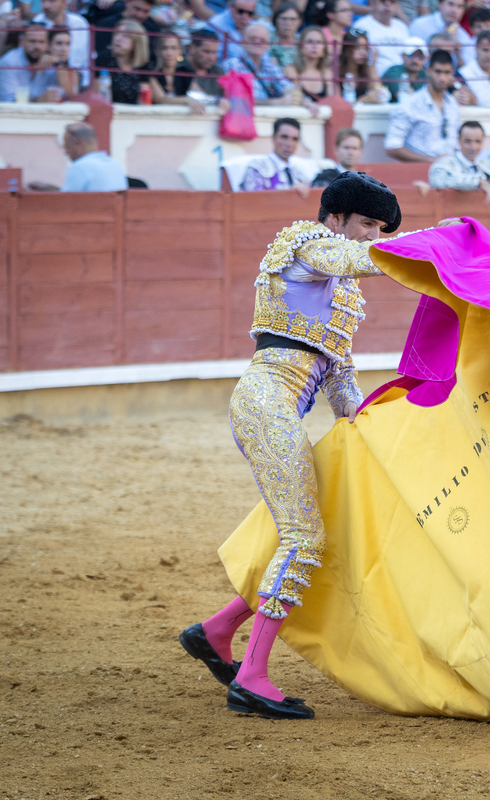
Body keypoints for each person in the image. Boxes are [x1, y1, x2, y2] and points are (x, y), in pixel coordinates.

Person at [178, 173, 404, 721]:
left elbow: (342, 386)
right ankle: (251, 679)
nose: (371, 236)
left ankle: (219, 628)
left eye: (380, 228)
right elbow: (354, 260)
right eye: (366, 224)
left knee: (311, 534)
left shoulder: (342, 298)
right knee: (304, 538)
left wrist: (385, 423)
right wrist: (432, 249)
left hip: (285, 410)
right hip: (265, 401)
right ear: (335, 219)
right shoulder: (304, 245)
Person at [385, 49, 463, 162]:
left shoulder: (452, 103)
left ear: (452, 73)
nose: (442, 78)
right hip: (419, 171)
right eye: (438, 72)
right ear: (428, 71)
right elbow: (392, 147)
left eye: (446, 73)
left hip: (450, 170)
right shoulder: (410, 103)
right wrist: (430, 160)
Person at [27, 122, 129, 191]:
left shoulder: (80, 167)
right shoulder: (114, 164)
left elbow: (66, 201)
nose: (66, 152)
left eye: (67, 147)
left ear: (78, 144)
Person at [425, 120, 490, 205]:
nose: (473, 147)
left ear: (483, 141)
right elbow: (438, 182)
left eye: (477, 141)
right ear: (459, 140)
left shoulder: (489, 165)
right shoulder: (443, 164)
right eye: (468, 141)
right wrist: (478, 182)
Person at [224, 22, 298, 104]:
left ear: (267, 45)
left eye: (262, 40)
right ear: (243, 41)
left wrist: (288, 95)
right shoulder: (233, 65)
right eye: (252, 39)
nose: (257, 43)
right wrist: (274, 103)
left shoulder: (269, 65)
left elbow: (288, 87)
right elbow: (239, 100)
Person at [242, 118, 318, 193]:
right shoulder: (257, 168)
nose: (289, 144)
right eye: (284, 137)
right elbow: (253, 201)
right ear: (274, 138)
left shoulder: (301, 170)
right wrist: (289, 193)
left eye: (294, 139)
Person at [164, 28, 228, 113]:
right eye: (206, 51)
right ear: (192, 48)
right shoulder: (178, 68)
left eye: (214, 52)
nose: (211, 57)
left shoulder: (218, 71)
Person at [0, 22, 60, 102]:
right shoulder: (9, 62)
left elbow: (67, 95)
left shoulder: (52, 63)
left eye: (41, 42)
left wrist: (60, 65)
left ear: (47, 44)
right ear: (22, 42)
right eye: (32, 41)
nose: (37, 46)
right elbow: (7, 102)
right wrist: (38, 100)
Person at [33, 0, 90, 84]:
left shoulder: (80, 23)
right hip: (46, 82)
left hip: (79, 81)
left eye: (51, 1)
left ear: (64, 3)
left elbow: (85, 58)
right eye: (43, 1)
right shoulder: (37, 22)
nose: (46, 6)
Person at [410, 0, 477, 65]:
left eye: (460, 6)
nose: (454, 10)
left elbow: (467, 69)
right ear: (439, 4)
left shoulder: (464, 37)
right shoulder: (419, 25)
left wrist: (458, 54)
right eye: (450, 4)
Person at [352, 0, 410, 76]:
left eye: (392, 2)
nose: (388, 5)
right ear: (372, 2)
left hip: (402, 78)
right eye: (383, 1)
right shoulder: (361, 26)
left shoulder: (402, 26)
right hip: (374, 78)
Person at [286, 26, 337, 104]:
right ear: (301, 46)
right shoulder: (291, 70)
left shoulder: (328, 73)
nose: (314, 46)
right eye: (309, 41)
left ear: (324, 48)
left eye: (319, 42)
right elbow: (295, 97)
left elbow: (334, 101)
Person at [339, 31, 386, 103]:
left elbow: (379, 93)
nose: (363, 53)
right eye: (357, 48)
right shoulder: (337, 72)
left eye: (365, 48)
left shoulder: (366, 71)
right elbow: (340, 105)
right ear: (347, 49)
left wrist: (372, 66)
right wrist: (363, 100)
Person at [382, 37, 428, 101]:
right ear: (403, 56)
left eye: (420, 57)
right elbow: (404, 95)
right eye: (411, 56)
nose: (415, 61)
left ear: (425, 58)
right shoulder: (393, 72)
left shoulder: (425, 74)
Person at [270, 1, 303, 67]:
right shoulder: (266, 38)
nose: (288, 23)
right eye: (284, 19)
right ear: (276, 20)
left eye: (293, 19)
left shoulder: (302, 41)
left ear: (299, 22)